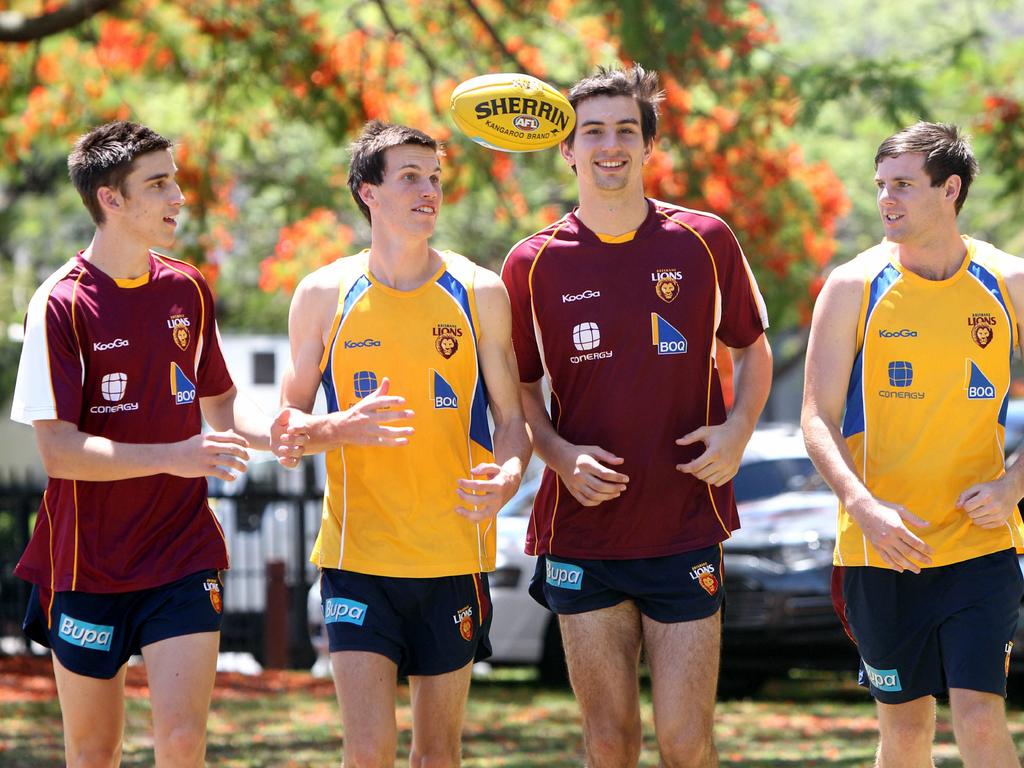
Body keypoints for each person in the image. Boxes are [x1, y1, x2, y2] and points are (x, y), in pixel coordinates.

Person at [501, 65, 773, 768]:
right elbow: (521, 391)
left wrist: (738, 431)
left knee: (686, 744)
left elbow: (752, 350)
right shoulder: (530, 264)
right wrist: (558, 455)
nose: (609, 144)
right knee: (609, 743)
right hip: (583, 532)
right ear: (567, 148)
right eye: (591, 131)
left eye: (626, 129)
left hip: (685, 520)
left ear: (649, 145)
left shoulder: (704, 240)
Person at [9, 120, 303, 768]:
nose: (178, 198)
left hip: (182, 553)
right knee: (94, 752)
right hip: (88, 565)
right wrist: (175, 455)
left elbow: (221, 410)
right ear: (111, 199)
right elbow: (58, 452)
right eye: (159, 184)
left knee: (180, 741)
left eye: (175, 180)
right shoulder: (58, 304)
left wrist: (283, 431)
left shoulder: (187, 288)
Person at [280, 121, 530, 767]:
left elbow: (511, 422)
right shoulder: (323, 293)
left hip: (452, 556)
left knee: (438, 754)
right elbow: (286, 431)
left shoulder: (480, 290)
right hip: (357, 556)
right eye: (411, 176)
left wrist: (507, 474)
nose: (429, 190)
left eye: (436, 177)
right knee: (368, 751)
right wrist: (332, 430)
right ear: (369, 192)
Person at [801, 122, 1024, 768]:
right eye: (880, 186)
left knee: (980, 719)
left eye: (903, 185)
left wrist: (1013, 484)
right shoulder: (851, 286)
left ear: (950, 189)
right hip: (882, 552)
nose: (885, 201)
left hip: (981, 546)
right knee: (904, 731)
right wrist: (863, 506)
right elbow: (817, 416)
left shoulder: (1008, 282)